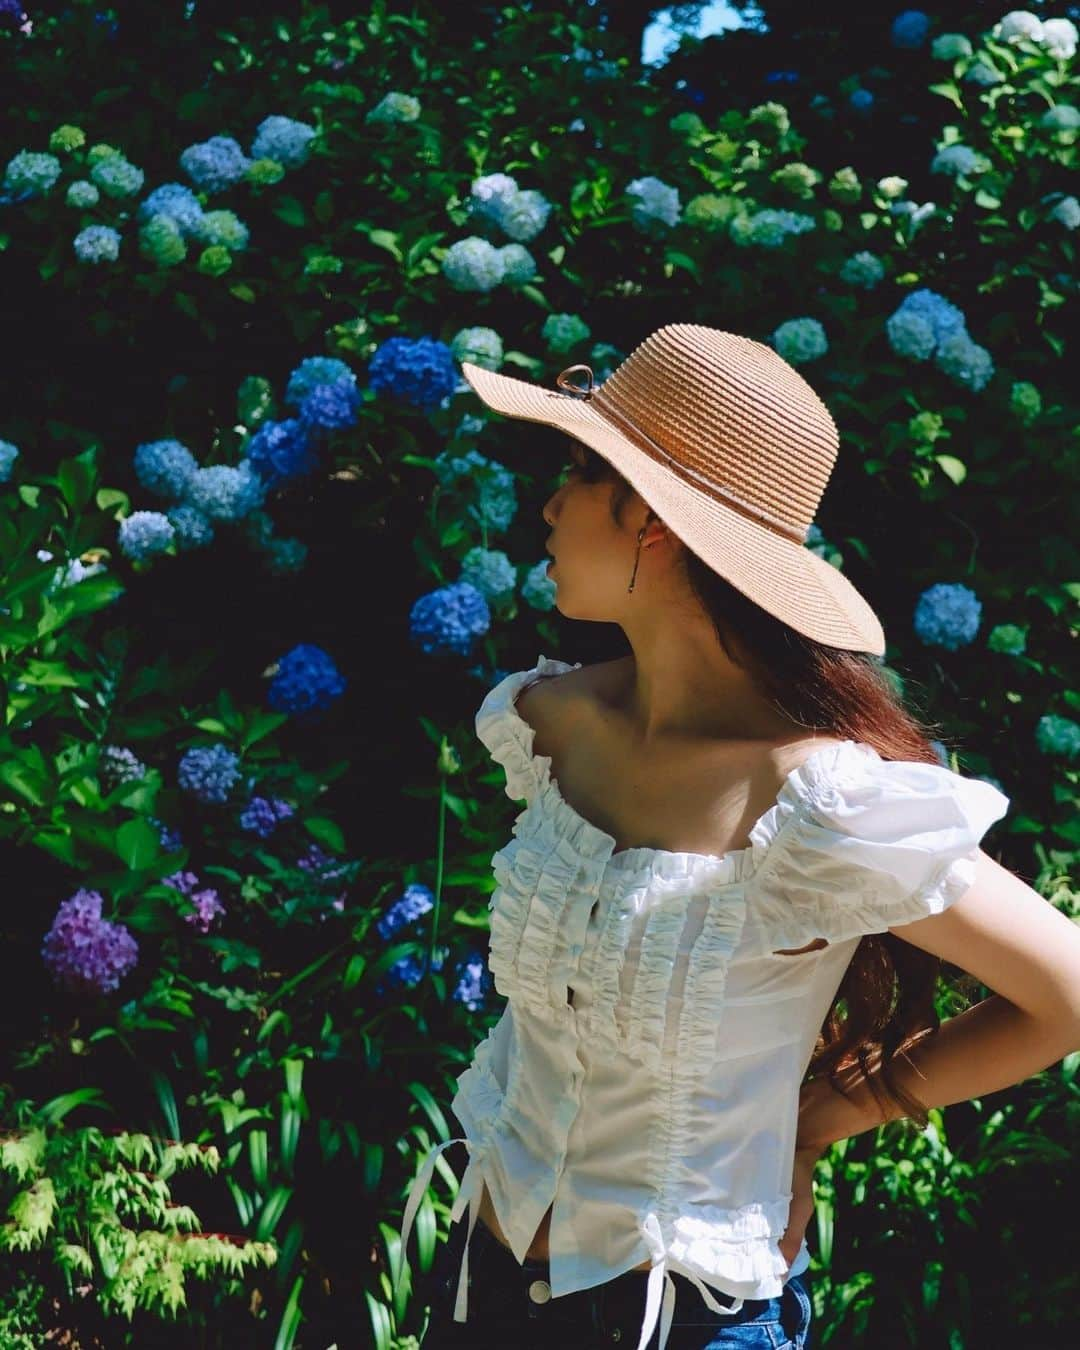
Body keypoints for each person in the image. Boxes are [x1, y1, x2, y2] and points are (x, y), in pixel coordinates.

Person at [396, 325, 1080, 1350]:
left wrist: (832, 1114)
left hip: (685, 1321)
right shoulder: (550, 724)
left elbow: (1062, 993)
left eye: (579, 474)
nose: (547, 505)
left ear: (654, 521)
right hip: (479, 1291)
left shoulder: (817, 800)